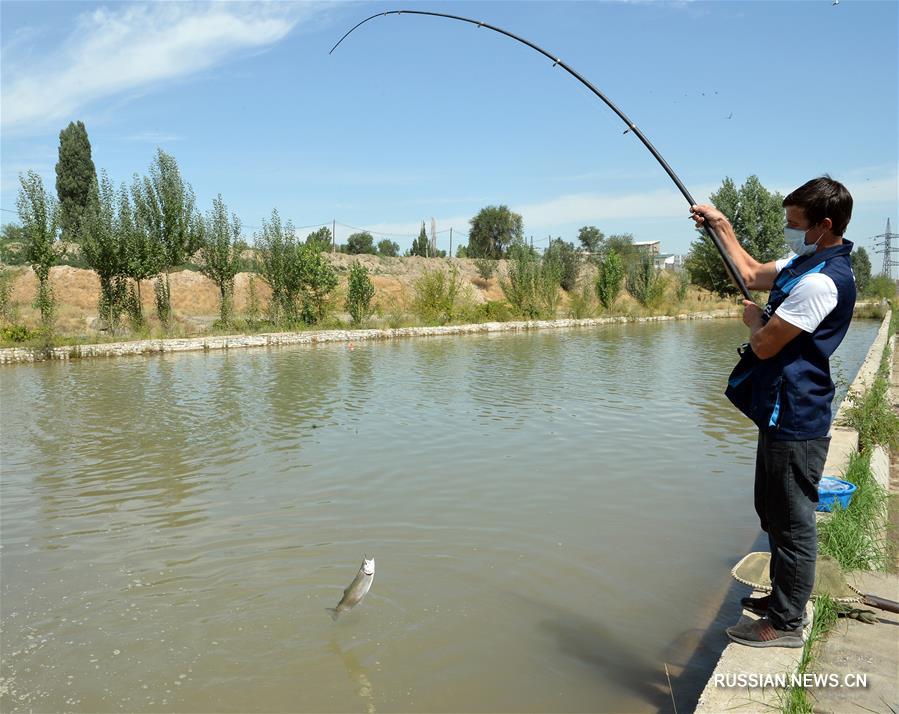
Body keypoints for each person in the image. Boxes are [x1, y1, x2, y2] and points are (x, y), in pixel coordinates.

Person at [690, 175, 856, 648]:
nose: (789, 230)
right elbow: (746, 273)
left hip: (798, 416)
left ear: (824, 225)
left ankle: (785, 624)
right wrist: (720, 225)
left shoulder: (822, 282)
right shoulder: (804, 262)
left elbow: (764, 346)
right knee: (772, 511)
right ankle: (782, 598)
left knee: (793, 520)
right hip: (780, 414)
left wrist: (754, 320)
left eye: (795, 223)